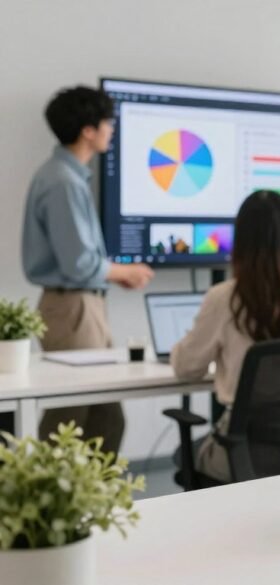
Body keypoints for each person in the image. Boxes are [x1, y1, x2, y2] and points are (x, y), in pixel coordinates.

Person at [21, 86, 154, 451]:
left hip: (82, 306)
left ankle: (85, 489)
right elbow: (78, 262)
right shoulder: (63, 182)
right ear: (88, 131)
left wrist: (113, 275)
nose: (112, 130)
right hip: (73, 309)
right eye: (108, 123)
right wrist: (124, 272)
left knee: (103, 418)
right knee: (71, 420)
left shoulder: (67, 177)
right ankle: (42, 488)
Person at [171, 191, 280, 483]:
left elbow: (186, 368)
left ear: (242, 243)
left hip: (243, 455)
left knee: (183, 454)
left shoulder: (224, 298)